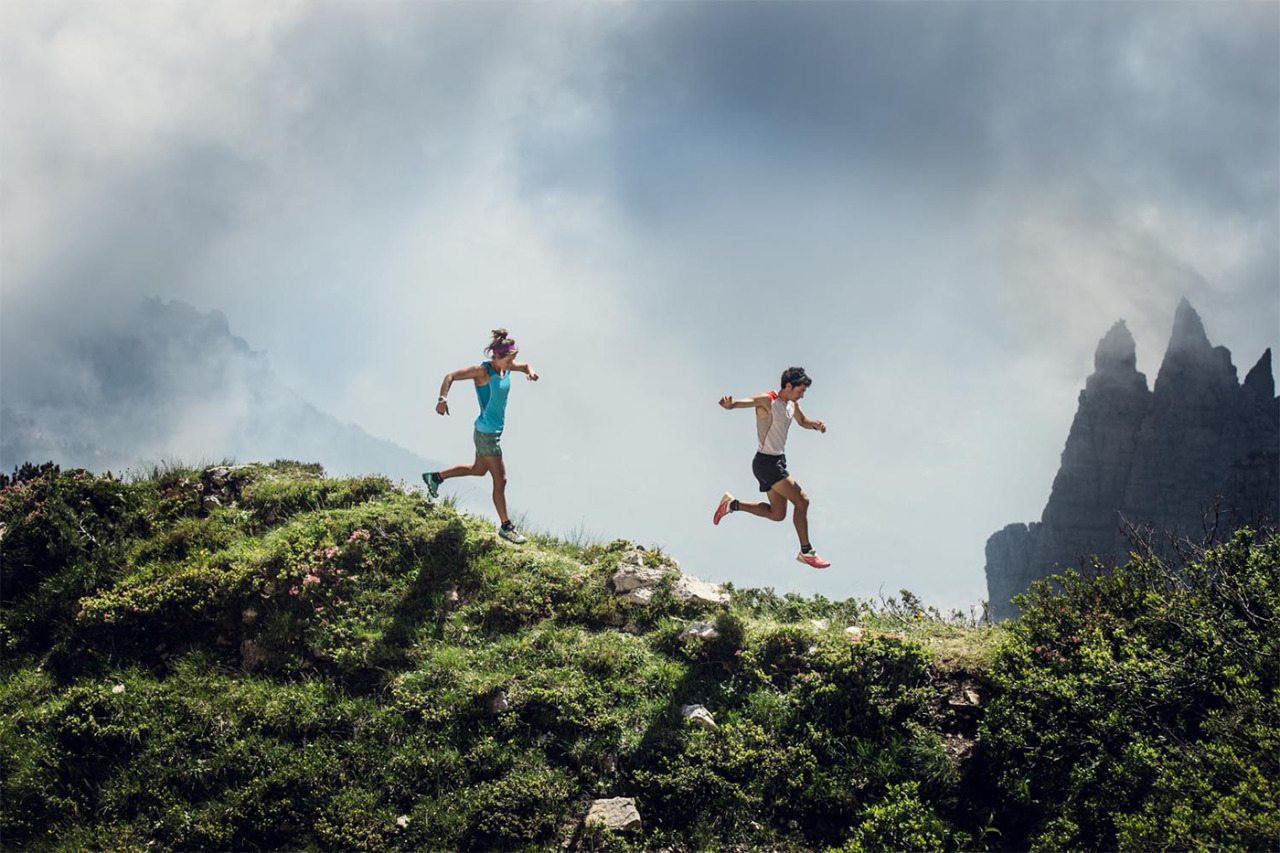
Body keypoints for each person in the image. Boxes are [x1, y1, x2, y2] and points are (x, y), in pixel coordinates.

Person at [422, 329, 538, 544]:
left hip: (488, 431)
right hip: (487, 435)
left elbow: (524, 366)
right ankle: (506, 526)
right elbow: (450, 376)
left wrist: (530, 372)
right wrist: (442, 399)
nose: (514, 362)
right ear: (498, 357)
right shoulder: (483, 372)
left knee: (478, 470)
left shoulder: (507, 367)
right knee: (500, 480)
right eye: (510, 359)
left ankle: (436, 477)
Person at [713, 366, 831, 568]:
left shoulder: (792, 404)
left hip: (775, 461)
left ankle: (732, 504)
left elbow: (802, 421)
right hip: (766, 463)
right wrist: (730, 404)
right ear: (788, 385)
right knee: (802, 501)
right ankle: (807, 552)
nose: (802, 395)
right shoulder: (768, 400)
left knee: (778, 514)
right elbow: (746, 402)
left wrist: (816, 425)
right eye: (800, 390)